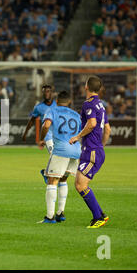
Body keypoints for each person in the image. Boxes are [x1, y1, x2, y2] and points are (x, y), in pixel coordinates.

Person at [69, 75, 111, 228]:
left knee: (80, 185)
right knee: (80, 184)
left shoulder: (88, 104)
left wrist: (77, 137)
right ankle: (101, 215)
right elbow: (107, 129)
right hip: (96, 150)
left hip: (91, 150)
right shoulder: (101, 105)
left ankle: (98, 217)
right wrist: (101, 146)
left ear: (86, 86)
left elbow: (92, 124)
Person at [37, 91, 81, 223]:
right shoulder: (77, 115)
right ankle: (60, 213)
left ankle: (49, 217)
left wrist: (41, 137)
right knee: (63, 180)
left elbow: (46, 125)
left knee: (52, 181)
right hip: (76, 150)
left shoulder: (53, 111)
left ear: (57, 101)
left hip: (61, 150)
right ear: (69, 102)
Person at [22, 84, 57, 182]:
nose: (46, 93)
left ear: (52, 93)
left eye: (48, 91)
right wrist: (25, 133)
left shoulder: (57, 104)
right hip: (47, 135)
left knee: (58, 155)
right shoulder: (38, 107)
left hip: (57, 135)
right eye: (44, 92)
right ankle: (50, 175)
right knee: (53, 154)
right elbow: (32, 121)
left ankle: (47, 172)